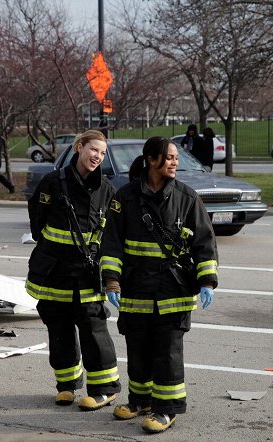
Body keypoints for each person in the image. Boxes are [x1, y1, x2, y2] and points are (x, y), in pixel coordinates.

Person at [100, 136, 218, 434]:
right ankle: (141, 400)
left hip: (172, 291)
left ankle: (167, 409)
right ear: (152, 160)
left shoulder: (187, 197)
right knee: (138, 347)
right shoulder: (124, 198)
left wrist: (207, 281)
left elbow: (205, 243)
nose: (174, 162)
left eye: (176, 157)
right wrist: (112, 281)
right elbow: (111, 243)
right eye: (169, 157)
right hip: (136, 289)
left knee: (167, 351)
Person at [26, 129, 121, 411]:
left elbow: (112, 237)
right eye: (94, 150)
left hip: (87, 275)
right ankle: (66, 385)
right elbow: (37, 223)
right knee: (59, 329)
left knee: (94, 330)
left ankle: (105, 390)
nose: (98, 157)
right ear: (79, 147)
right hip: (54, 272)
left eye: (103, 153)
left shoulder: (107, 190)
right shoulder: (51, 182)